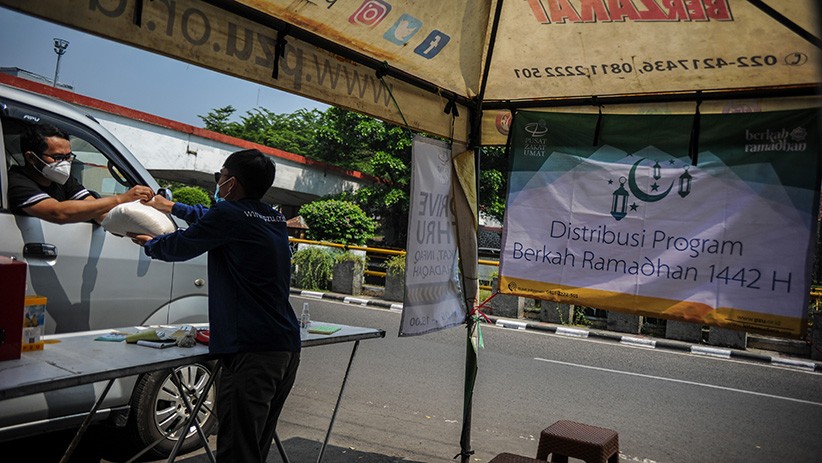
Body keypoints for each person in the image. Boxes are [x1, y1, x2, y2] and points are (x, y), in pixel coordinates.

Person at [129, 148, 301, 463]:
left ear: (231, 184)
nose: (218, 183)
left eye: (219, 177)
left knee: (236, 452)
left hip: (252, 351)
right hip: (284, 348)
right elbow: (213, 220)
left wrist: (150, 243)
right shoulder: (273, 217)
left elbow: (179, 246)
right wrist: (172, 206)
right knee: (253, 448)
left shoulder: (230, 216)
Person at [8, 122, 154, 223]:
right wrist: (121, 199)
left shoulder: (62, 181)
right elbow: (57, 212)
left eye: (68, 157)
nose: (65, 163)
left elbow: (96, 210)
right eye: (58, 157)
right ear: (31, 158)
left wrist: (132, 231)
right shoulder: (16, 182)